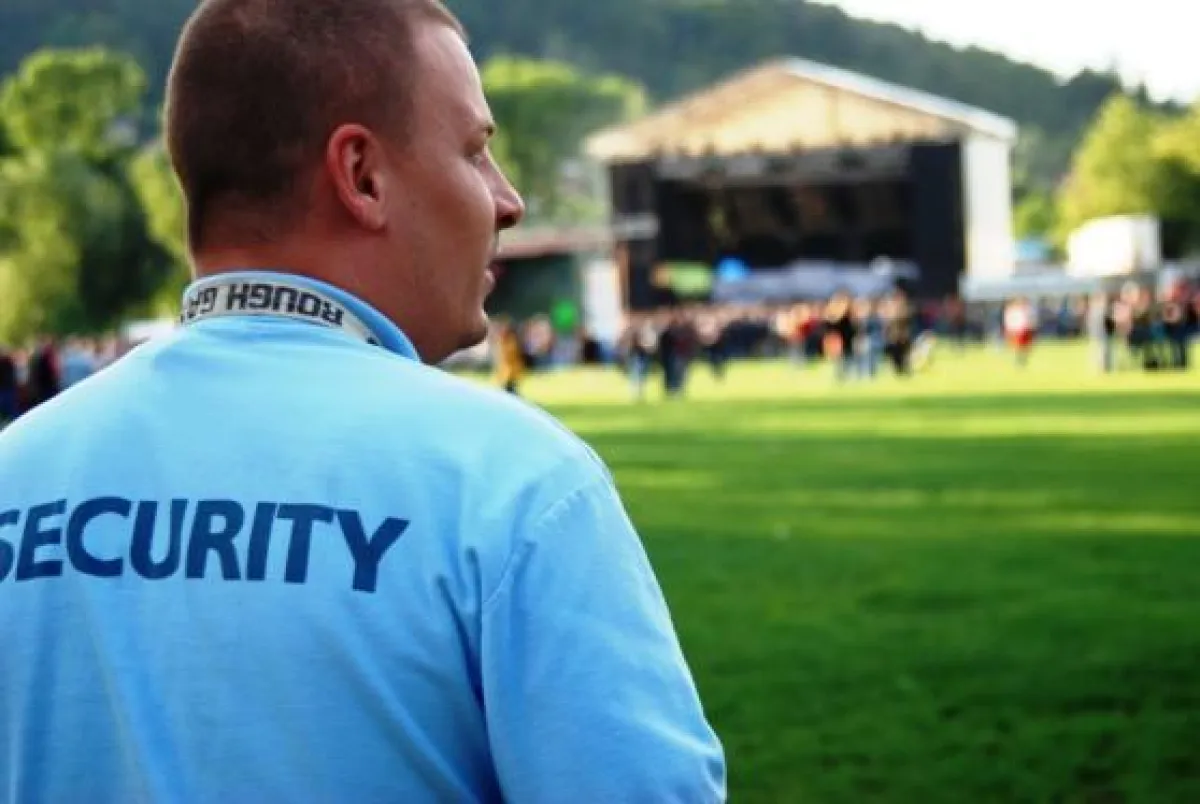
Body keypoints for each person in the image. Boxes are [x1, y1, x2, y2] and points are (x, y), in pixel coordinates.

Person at [0, 1, 726, 801]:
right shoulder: (510, 481)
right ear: (362, 176)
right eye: (475, 151)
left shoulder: (16, 470)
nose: (508, 199)